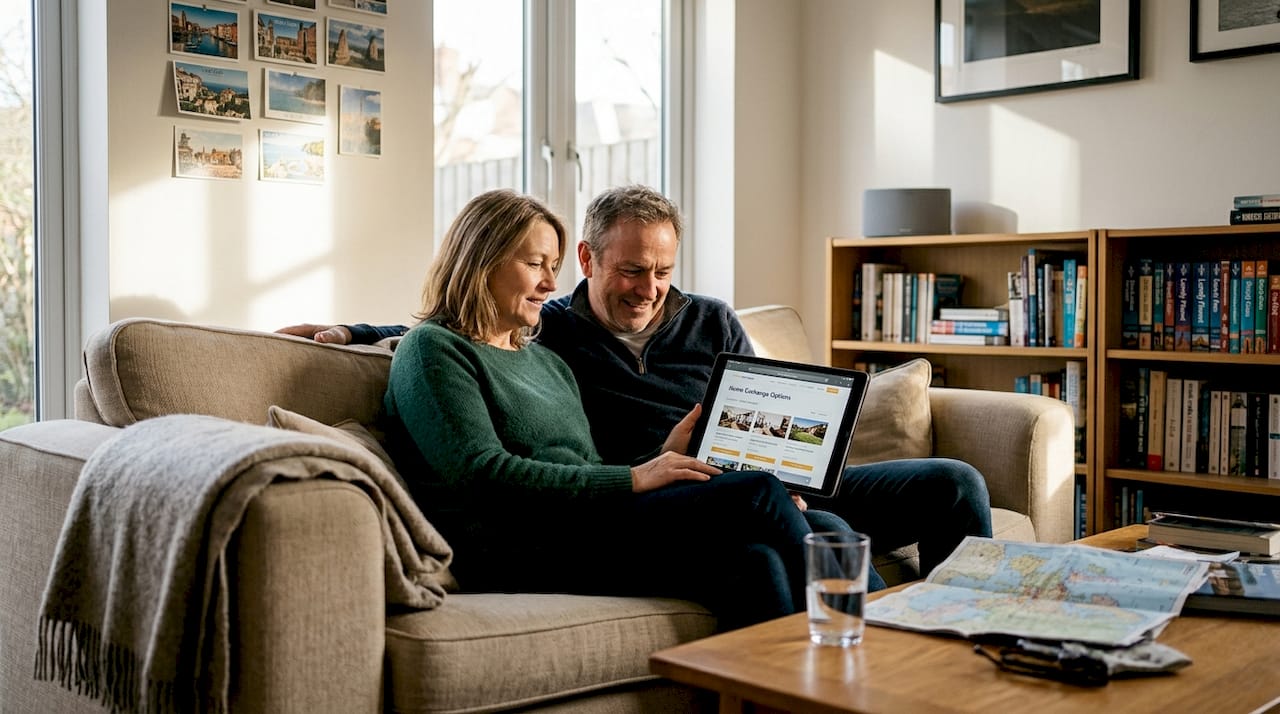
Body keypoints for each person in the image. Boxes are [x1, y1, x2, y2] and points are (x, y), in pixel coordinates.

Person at [281, 184, 992, 582]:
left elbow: (761, 405)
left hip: (733, 476)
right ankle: (875, 663)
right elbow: (452, 330)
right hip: (652, 493)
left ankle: (970, 628)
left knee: (951, 483)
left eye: (662, 271)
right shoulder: (551, 330)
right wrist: (351, 331)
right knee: (797, 525)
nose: (648, 288)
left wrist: (784, 470)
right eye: (629, 270)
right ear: (590, 260)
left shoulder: (708, 319)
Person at [380, 188, 836, 630]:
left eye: (553, 266)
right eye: (536, 264)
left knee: (757, 561)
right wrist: (636, 477)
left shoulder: (544, 360)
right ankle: (867, 637)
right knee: (757, 491)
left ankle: (787, 681)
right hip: (519, 545)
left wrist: (661, 458)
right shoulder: (432, 349)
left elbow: (590, 469)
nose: (550, 283)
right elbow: (482, 475)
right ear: (481, 261)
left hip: (589, 526)